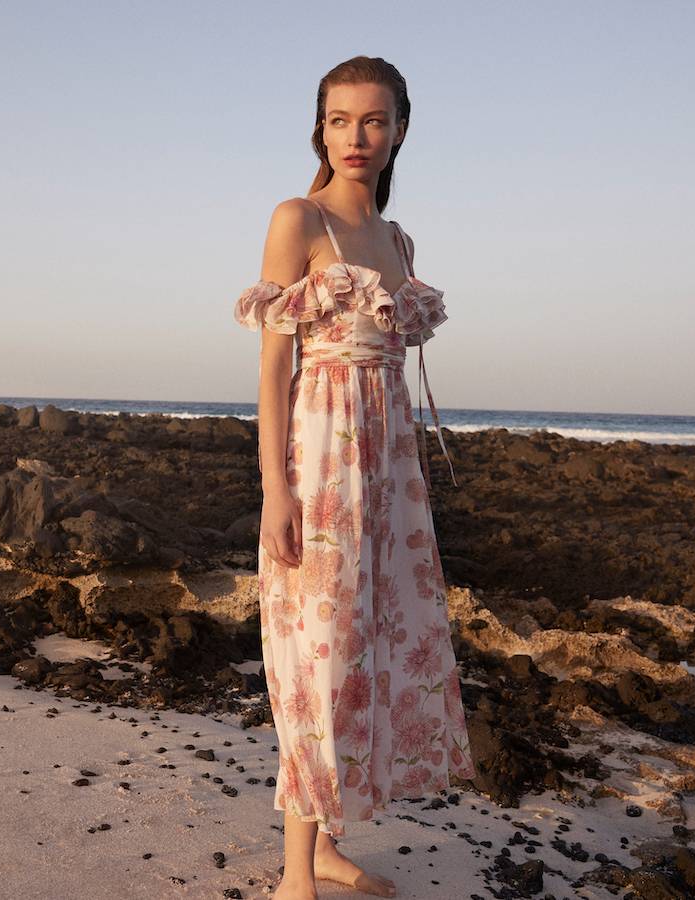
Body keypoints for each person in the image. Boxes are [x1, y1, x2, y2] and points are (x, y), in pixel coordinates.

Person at [232, 56, 476, 899]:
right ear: (320, 127)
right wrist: (275, 487)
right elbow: (271, 372)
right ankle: (294, 876)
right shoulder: (297, 220)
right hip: (320, 457)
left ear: (400, 128)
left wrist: (402, 484)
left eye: (373, 121)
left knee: (370, 644)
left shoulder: (398, 241)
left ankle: (329, 846)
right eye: (340, 120)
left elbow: (392, 371)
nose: (356, 138)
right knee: (317, 655)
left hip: (388, 465)